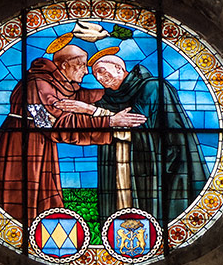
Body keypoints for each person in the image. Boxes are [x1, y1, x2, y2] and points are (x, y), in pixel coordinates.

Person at [0, 45, 146, 225]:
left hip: (40, 144)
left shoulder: (57, 83)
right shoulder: (36, 85)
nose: (86, 72)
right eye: (82, 65)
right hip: (21, 145)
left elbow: (81, 96)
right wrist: (109, 122)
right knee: (24, 194)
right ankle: (18, 233)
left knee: (45, 193)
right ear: (65, 66)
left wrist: (122, 89)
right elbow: (56, 124)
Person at [89, 54, 209, 224]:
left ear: (119, 68)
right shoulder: (108, 99)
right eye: (96, 75)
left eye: (101, 71)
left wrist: (92, 111)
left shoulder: (152, 86)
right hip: (122, 165)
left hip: (163, 160)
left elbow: (136, 120)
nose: (100, 78)